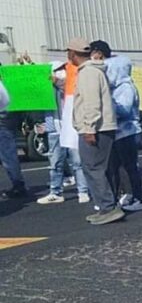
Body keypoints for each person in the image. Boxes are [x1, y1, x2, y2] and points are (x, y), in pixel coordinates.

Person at [68, 38, 123, 225]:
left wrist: (89, 128)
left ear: (73, 53)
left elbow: (92, 103)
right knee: (99, 168)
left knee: (93, 168)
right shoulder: (93, 71)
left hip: (96, 128)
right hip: (102, 127)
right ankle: (106, 206)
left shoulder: (88, 73)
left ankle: (108, 207)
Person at [34, 62, 89, 205]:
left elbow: (69, 89)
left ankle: (83, 191)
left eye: (60, 70)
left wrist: (57, 82)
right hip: (54, 128)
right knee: (55, 163)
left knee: (77, 162)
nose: (58, 73)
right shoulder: (47, 89)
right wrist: (44, 125)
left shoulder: (69, 84)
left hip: (71, 127)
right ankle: (55, 192)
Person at [103, 55, 142, 212]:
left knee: (130, 166)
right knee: (117, 167)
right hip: (118, 133)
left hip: (128, 132)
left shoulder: (126, 87)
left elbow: (125, 110)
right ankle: (127, 194)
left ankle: (139, 198)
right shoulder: (114, 88)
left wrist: (109, 105)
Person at [0, 70, 26, 199]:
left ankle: (18, 185)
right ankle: (18, 184)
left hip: (3, 119)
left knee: (7, 155)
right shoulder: (9, 83)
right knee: (8, 153)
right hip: (8, 118)